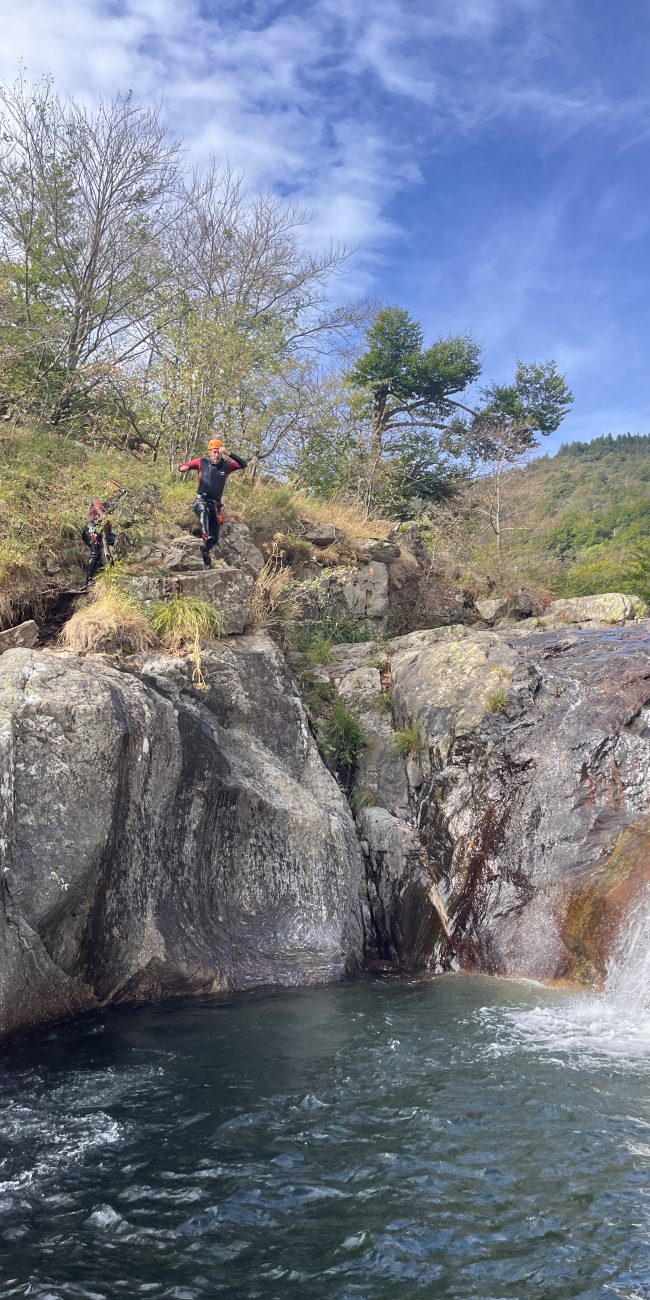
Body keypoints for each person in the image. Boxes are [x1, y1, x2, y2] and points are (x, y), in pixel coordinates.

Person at [178, 437, 247, 567]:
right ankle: (205, 536)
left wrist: (229, 453)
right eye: (214, 452)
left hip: (215, 505)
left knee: (215, 539)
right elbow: (183, 466)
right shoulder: (201, 462)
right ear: (209, 452)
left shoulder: (226, 465)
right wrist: (182, 468)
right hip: (201, 500)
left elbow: (243, 464)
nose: (216, 455)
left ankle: (205, 550)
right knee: (203, 512)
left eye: (218, 452)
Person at [82, 500, 117, 585]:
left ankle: (109, 569)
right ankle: (89, 580)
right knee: (96, 552)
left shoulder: (109, 502)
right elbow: (102, 515)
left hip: (100, 531)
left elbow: (108, 524)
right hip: (91, 530)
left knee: (116, 540)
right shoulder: (96, 500)